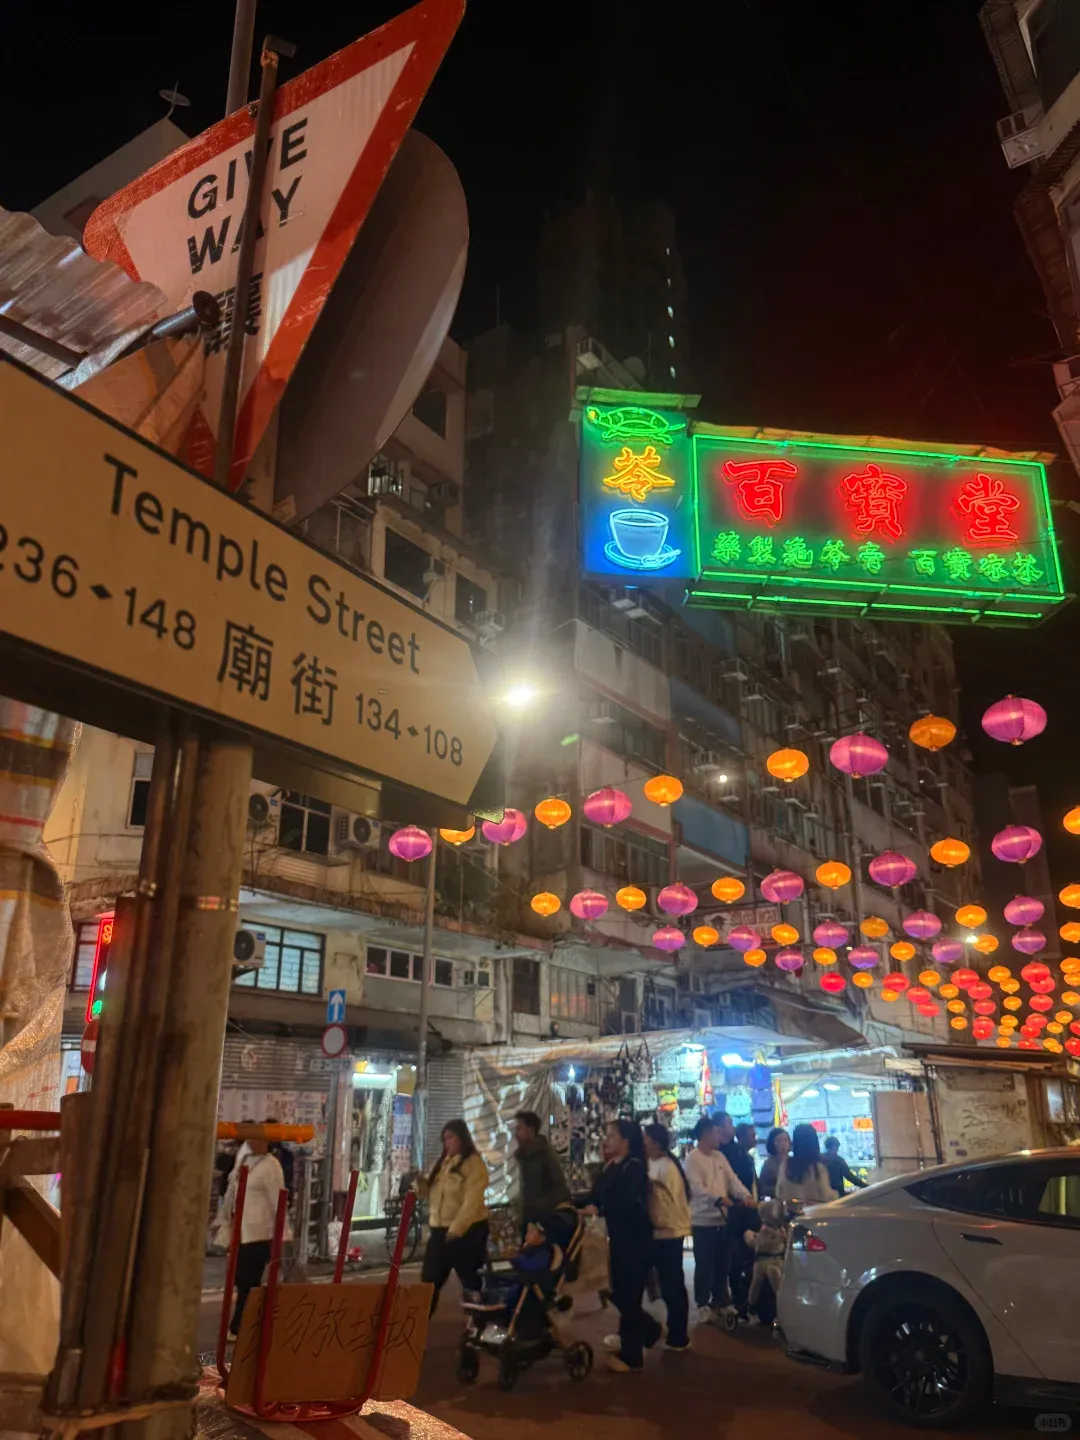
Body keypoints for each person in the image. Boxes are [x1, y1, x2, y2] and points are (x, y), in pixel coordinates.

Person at [582, 1120, 657, 1373]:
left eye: (611, 1136)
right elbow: (596, 1195)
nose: (606, 1140)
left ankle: (632, 1355)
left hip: (634, 1241)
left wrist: (599, 1209)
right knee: (618, 1292)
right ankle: (646, 1331)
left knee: (628, 1295)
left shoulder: (633, 1167)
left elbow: (623, 1202)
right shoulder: (613, 1166)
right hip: (617, 1240)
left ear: (625, 1141)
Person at [417, 1119, 490, 1314]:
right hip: (440, 1231)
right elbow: (428, 1192)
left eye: (451, 1138)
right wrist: (419, 1182)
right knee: (429, 1282)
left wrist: (457, 1229)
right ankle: (419, 1323)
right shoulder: (443, 1163)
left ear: (462, 1139)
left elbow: (472, 1201)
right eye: (445, 1139)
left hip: (467, 1232)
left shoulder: (474, 1164)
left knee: (471, 1282)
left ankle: (479, 1322)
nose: (447, 1143)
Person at [684, 1116, 754, 1318]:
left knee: (723, 1263)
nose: (720, 1136)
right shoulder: (692, 1159)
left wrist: (746, 1196)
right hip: (702, 1221)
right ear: (706, 1134)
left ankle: (721, 1301)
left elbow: (733, 1181)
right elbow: (696, 1187)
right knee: (704, 1265)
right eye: (716, 1133)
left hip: (723, 1220)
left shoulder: (719, 1157)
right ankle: (702, 1303)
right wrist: (717, 1198)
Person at [222, 1132, 286, 1339]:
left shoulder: (271, 1165)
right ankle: (253, 1323)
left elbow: (278, 1201)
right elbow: (232, 1187)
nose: (252, 1142)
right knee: (241, 1279)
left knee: (248, 1281)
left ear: (266, 1140)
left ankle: (239, 1326)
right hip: (241, 1232)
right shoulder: (245, 1158)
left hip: (260, 1232)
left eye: (257, 1137)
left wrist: (282, 1234)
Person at [642, 1123, 691, 1352]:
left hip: (668, 1233)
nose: (643, 1143)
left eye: (646, 1139)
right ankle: (673, 1331)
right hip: (665, 1232)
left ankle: (678, 1335)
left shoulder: (666, 1167)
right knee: (670, 1283)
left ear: (655, 1142)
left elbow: (661, 1205)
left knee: (672, 1284)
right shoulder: (658, 1164)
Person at [513, 1110, 575, 1245]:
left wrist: (539, 1214)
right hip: (529, 1218)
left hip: (544, 1222)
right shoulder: (523, 1156)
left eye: (519, 1128)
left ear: (530, 1130)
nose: (515, 1133)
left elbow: (559, 1187)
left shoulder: (544, 1154)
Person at [777, 1123, 838, 1207]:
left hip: (790, 1213)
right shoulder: (817, 1168)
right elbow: (826, 1196)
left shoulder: (785, 1165)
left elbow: (779, 1193)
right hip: (813, 1213)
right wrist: (837, 1194)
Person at [757, 1127, 791, 1200]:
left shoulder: (793, 1162)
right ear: (772, 1143)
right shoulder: (768, 1164)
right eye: (779, 1141)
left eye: (786, 1140)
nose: (783, 1144)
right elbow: (762, 1188)